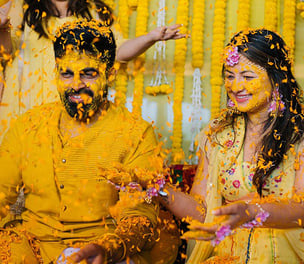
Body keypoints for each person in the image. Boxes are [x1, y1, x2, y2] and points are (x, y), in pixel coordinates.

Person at [0, 19, 179, 264]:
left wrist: (106, 248)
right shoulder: (28, 126)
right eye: (66, 73)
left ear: (111, 74)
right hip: (33, 247)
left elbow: (139, 215)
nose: (76, 84)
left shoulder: (136, 134)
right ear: (56, 72)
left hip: (102, 250)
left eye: (88, 74)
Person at [158, 28, 304, 263]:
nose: (236, 86)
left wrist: (250, 211)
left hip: (291, 252)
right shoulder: (217, 132)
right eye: (229, 76)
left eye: (247, 77)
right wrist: (157, 189)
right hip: (227, 254)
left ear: (277, 78)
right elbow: (203, 212)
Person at [0, 0, 185, 141]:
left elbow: (118, 51)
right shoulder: (21, 6)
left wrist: (150, 38)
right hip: (27, 101)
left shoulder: (95, 11)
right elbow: (6, 51)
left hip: (75, 98)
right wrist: (2, 28)